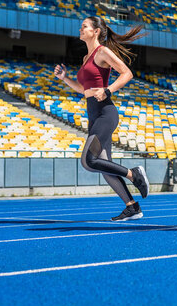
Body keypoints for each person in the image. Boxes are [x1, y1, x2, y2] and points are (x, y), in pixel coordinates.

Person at [54, 15, 149, 221]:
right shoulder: (85, 58)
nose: (80, 29)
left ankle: (134, 174)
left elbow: (127, 73)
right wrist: (65, 79)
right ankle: (132, 207)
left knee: (88, 160)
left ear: (96, 31)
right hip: (93, 113)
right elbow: (83, 89)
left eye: (84, 26)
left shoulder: (102, 52)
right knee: (103, 165)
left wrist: (108, 89)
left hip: (105, 112)